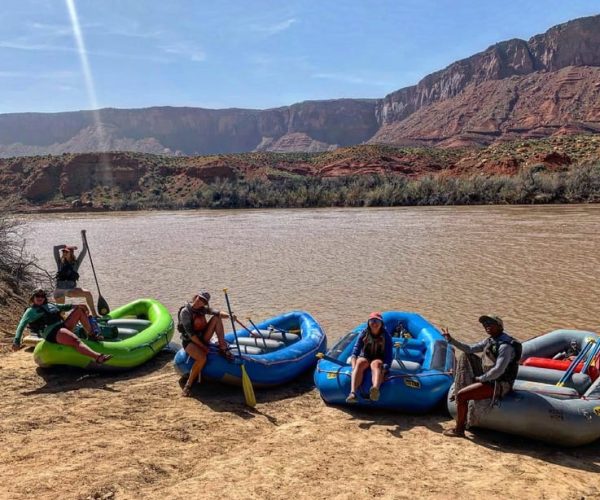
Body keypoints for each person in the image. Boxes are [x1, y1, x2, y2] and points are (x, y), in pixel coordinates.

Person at [441, 314, 521, 438]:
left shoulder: (505, 346)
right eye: (485, 324)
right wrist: (451, 340)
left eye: (490, 324)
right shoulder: (490, 340)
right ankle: (463, 387)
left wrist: (481, 378)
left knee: (462, 396)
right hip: (491, 378)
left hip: (500, 383)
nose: (487, 326)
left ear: (500, 326)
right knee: (466, 355)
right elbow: (469, 349)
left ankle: (459, 429)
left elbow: (498, 370)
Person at [12, 288, 112, 364]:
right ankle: (97, 357)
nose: (40, 298)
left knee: (79, 310)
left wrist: (77, 305)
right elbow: (21, 325)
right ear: (32, 298)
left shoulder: (49, 305)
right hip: (53, 333)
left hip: (62, 326)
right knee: (76, 341)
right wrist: (17, 341)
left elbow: (64, 307)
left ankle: (91, 335)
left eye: (42, 296)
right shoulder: (30, 311)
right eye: (37, 296)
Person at [178, 291, 235, 397]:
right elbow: (191, 335)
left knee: (216, 318)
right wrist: (203, 346)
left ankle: (223, 347)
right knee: (202, 358)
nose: (200, 302)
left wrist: (229, 316)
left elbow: (216, 312)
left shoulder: (202, 309)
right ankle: (188, 386)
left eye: (204, 301)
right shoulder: (185, 312)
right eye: (200, 298)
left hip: (202, 337)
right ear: (196, 297)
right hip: (190, 341)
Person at [346, 312, 393, 403]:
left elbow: (388, 356)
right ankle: (352, 393)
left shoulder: (386, 336)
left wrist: (385, 368)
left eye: (377, 321)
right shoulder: (364, 334)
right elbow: (355, 352)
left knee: (376, 364)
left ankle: (375, 389)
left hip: (379, 358)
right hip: (365, 356)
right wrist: (353, 367)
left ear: (381, 323)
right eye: (372, 321)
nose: (374, 323)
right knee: (359, 363)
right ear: (368, 323)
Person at [53, 230, 97, 317]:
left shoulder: (76, 263)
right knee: (62, 314)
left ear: (71, 253)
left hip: (70, 290)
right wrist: (65, 246)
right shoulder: (59, 262)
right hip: (59, 291)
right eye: (63, 252)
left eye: (66, 252)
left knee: (88, 294)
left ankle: (95, 315)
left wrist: (83, 236)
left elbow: (84, 249)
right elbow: (55, 248)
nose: (64, 253)